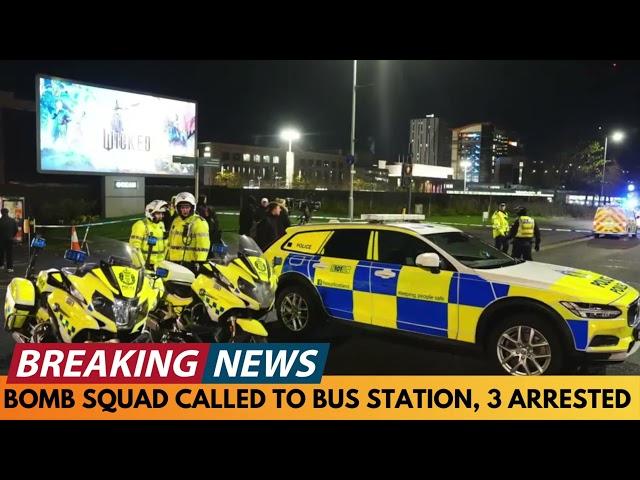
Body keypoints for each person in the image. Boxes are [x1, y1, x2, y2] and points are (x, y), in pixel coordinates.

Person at [167, 192, 210, 271]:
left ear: (192, 207)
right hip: (174, 262)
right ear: (178, 208)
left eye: (187, 207)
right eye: (182, 208)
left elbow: (203, 246)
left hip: (190, 264)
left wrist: (199, 263)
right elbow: (170, 242)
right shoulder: (176, 221)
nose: (184, 210)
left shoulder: (199, 222)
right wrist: (167, 258)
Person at [129, 200, 168, 268]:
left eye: (162, 213)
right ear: (150, 213)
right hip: (146, 265)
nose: (161, 216)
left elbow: (165, 245)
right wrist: (141, 265)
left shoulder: (161, 225)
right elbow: (134, 247)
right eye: (158, 213)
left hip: (160, 265)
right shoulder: (140, 225)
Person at [0, 208, 18, 273]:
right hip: (10, 239)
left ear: (1, 213)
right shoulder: (12, 220)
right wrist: (12, 235)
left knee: (1, 253)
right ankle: (10, 268)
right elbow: (16, 229)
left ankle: (1, 265)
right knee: (9, 254)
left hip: (1, 239)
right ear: (8, 212)